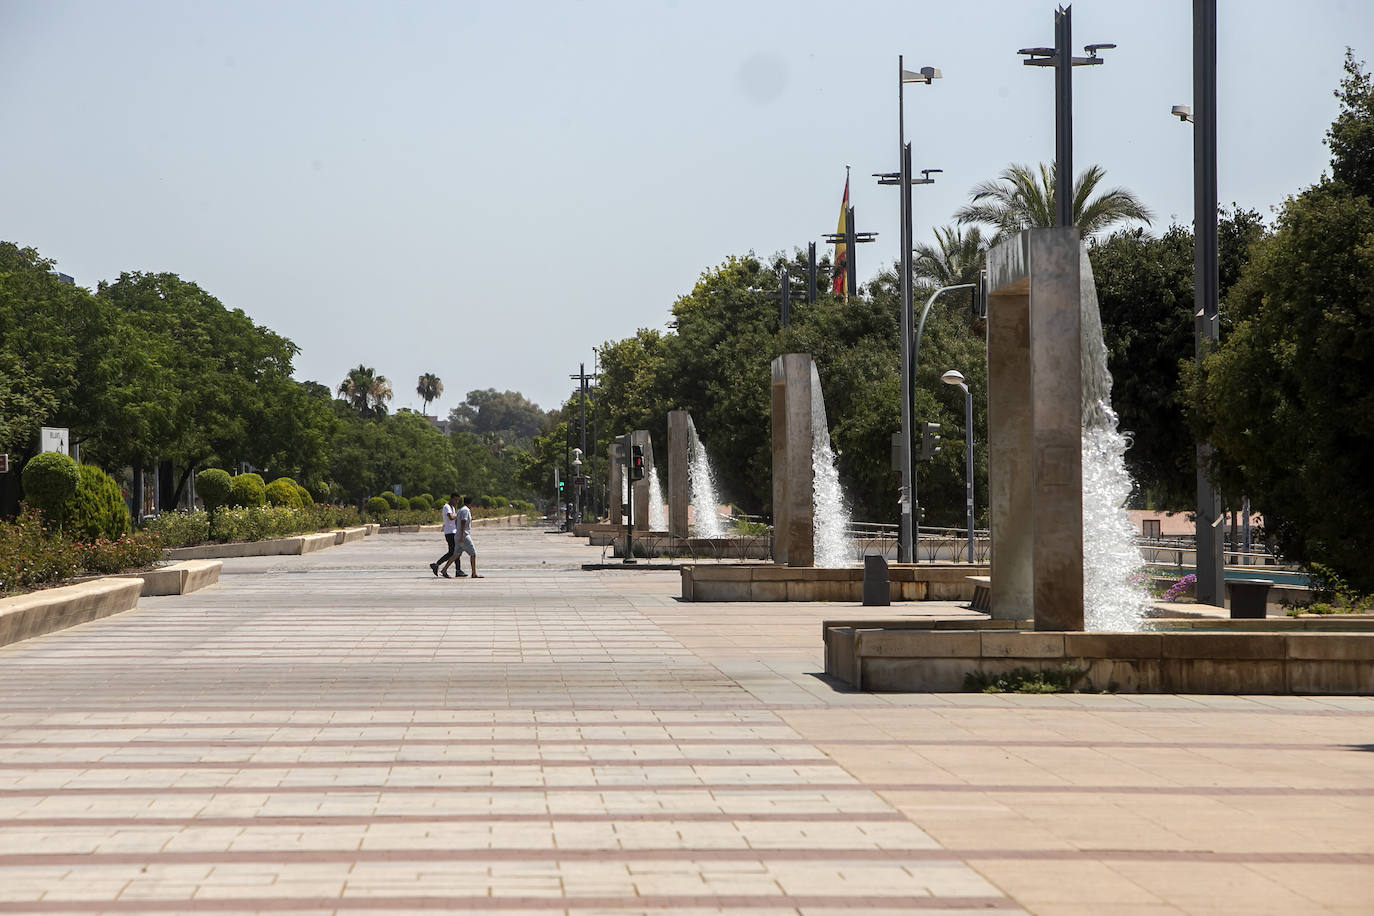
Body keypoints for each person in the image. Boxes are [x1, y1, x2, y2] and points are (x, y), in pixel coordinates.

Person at [429, 492, 467, 578]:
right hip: (449, 532)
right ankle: (437, 564)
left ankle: (458, 570)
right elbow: (451, 517)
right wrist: (458, 515)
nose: (457, 502)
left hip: (453, 531)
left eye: (458, 500)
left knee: (456, 551)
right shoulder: (446, 507)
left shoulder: (452, 507)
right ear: (452, 499)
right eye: (456, 500)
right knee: (453, 552)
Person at [454, 495, 482, 578]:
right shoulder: (466, 510)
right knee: (473, 554)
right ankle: (474, 573)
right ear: (470, 503)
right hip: (464, 535)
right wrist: (462, 535)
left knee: (456, 554)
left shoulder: (460, 510)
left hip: (458, 534)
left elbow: (457, 521)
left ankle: (444, 570)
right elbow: (463, 522)